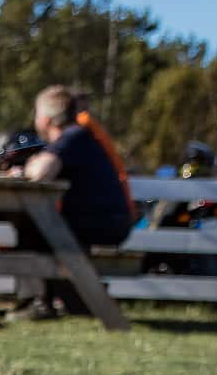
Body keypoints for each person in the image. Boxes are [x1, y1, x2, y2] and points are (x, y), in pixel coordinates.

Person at [15, 83, 135, 253]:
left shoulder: (73, 137)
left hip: (105, 224)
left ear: (45, 120)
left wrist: (30, 166)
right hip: (106, 221)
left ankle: (38, 271)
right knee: (33, 229)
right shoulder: (78, 136)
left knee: (32, 230)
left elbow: (41, 172)